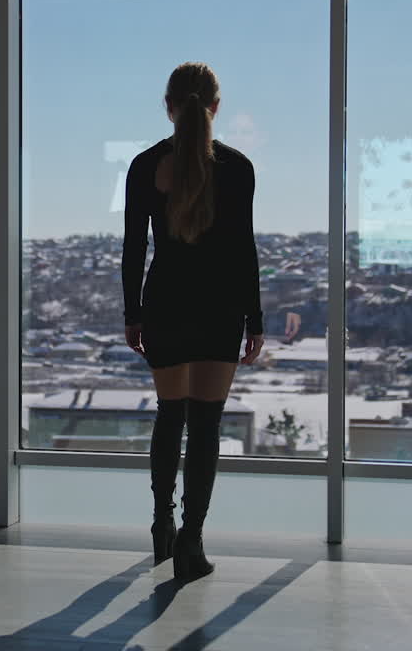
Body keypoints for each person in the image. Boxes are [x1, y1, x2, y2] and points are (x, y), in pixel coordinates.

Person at [122, 62, 264, 582]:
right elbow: (244, 250)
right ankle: (191, 541)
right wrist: (255, 319)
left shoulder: (143, 166)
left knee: (169, 416)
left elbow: (134, 247)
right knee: (205, 428)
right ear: (215, 107)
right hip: (220, 308)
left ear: (168, 105)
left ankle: (161, 524)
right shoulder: (239, 167)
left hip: (165, 304)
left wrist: (132, 313)